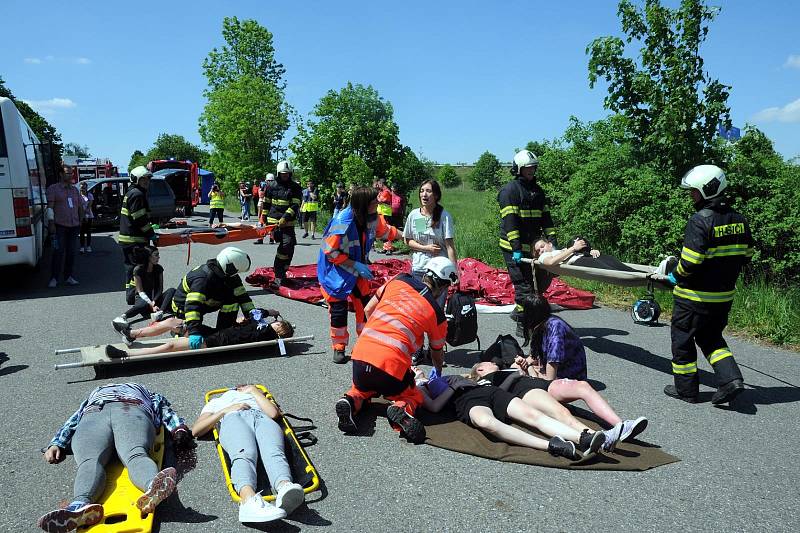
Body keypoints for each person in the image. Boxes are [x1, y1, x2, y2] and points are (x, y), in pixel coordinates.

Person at [37, 383, 195, 532]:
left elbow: (73, 420)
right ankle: (152, 486)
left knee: (90, 461)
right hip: (130, 410)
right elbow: (165, 411)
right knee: (134, 454)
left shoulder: (97, 394)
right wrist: (178, 428)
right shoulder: (146, 393)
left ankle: (80, 505)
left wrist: (57, 443)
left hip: (99, 415)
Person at [334, 257, 457, 444]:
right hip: (391, 366)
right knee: (412, 394)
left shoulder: (400, 279)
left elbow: (368, 310)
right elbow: (436, 351)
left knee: (361, 389)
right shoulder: (436, 313)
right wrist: (438, 371)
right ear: (444, 287)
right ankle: (402, 409)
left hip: (361, 355)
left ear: (425, 274)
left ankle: (350, 401)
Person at [664, 164, 753, 405]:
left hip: (694, 297)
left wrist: (674, 275)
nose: (691, 195)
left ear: (707, 189)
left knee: (682, 340)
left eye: (694, 191)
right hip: (723, 297)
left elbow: (690, 262)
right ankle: (731, 380)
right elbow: (747, 255)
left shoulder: (700, 220)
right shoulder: (740, 220)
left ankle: (686, 390)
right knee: (711, 338)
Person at [416, 371, 603, 459]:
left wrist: (512, 376)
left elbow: (484, 381)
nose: (417, 368)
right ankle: (552, 445)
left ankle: (583, 438)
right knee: (485, 422)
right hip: (465, 402)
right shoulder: (422, 388)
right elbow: (434, 407)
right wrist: (452, 387)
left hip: (487, 391)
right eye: (413, 370)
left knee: (532, 414)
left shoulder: (446, 375)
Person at [468, 361, 648, 451]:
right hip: (523, 391)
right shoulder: (486, 381)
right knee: (561, 411)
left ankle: (621, 426)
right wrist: (515, 373)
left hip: (538, 382)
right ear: (480, 370)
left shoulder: (504, 370)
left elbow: (534, 374)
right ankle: (597, 438)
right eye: (488, 363)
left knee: (582, 387)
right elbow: (499, 395)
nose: (493, 362)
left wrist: (526, 367)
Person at [191, 385, 305, 523]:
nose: (236, 388)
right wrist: (224, 411)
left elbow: (273, 414)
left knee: (273, 451)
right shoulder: (215, 402)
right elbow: (196, 430)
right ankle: (248, 502)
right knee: (244, 453)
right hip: (232, 417)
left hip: (261, 417)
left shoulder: (255, 395)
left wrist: (253, 391)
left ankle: (284, 487)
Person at [318, 186, 400, 363]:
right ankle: (339, 347)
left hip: (357, 268)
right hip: (336, 271)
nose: (378, 204)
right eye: (374, 202)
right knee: (339, 310)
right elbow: (330, 252)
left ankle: (363, 344)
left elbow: (386, 232)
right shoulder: (342, 221)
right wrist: (354, 264)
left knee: (364, 305)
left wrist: (408, 235)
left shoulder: (372, 218)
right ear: (363, 204)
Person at [498, 150, 558, 336]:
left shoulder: (538, 191)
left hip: (533, 249)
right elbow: (511, 223)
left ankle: (524, 314)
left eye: (533, 167)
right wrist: (516, 248)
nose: (531, 170)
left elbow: (546, 220)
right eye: (527, 168)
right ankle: (523, 326)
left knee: (537, 286)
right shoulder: (510, 191)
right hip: (513, 247)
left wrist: (553, 243)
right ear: (518, 169)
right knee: (523, 287)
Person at [403, 179, 458, 363]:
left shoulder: (444, 216)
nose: (424, 195)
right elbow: (408, 240)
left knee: (436, 314)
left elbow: (450, 246)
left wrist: (454, 273)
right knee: (417, 312)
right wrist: (426, 248)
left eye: (428, 191)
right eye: (422, 191)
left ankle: (436, 350)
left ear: (436, 195)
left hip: (440, 275)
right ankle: (417, 350)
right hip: (419, 270)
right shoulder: (414, 215)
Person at [168, 247, 256, 350]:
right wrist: (194, 331)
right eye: (237, 271)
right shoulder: (203, 279)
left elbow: (243, 297)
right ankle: (182, 328)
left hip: (204, 302)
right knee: (195, 328)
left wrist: (253, 316)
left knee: (233, 298)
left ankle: (225, 329)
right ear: (231, 268)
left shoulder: (229, 274)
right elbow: (192, 305)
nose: (237, 274)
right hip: (183, 307)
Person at [106, 311, 293, 358]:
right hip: (218, 332)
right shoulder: (262, 328)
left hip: (216, 341)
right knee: (175, 322)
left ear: (279, 329)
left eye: (277, 323)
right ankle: (132, 333)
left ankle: (128, 355)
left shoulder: (267, 333)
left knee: (171, 347)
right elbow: (252, 316)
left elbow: (256, 313)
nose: (273, 322)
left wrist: (270, 311)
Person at [519, 294, 588, 381]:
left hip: (570, 377)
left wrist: (532, 370)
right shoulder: (542, 324)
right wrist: (523, 362)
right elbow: (534, 357)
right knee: (516, 367)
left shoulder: (555, 327)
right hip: (553, 371)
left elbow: (551, 374)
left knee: (525, 376)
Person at [111, 247, 175, 339]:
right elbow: (140, 291)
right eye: (156, 255)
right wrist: (151, 303)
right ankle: (122, 317)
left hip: (155, 301)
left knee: (171, 290)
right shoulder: (138, 270)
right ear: (148, 257)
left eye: (158, 255)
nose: (158, 257)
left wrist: (155, 300)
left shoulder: (159, 269)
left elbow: (160, 289)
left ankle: (160, 313)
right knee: (143, 304)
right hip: (143, 299)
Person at [258, 161, 302, 282]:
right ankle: (279, 273)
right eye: (283, 173)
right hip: (274, 223)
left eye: (287, 173)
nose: (285, 175)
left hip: (288, 222)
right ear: (278, 173)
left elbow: (295, 205)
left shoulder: (295, 187)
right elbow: (266, 203)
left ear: (290, 173)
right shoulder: (271, 186)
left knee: (290, 245)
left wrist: (285, 217)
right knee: (286, 245)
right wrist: (264, 219)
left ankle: (282, 269)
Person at [119, 166, 159, 289]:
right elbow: (140, 219)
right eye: (143, 179)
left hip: (130, 240)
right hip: (135, 241)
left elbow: (139, 217)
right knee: (138, 270)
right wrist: (151, 234)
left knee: (131, 270)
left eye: (148, 179)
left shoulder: (133, 192)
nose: (147, 181)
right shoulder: (137, 194)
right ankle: (135, 295)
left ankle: (131, 294)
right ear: (135, 179)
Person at [46, 165, 84, 288]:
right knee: (58, 252)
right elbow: (50, 208)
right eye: (67, 173)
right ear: (61, 174)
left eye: (71, 173)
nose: (70, 175)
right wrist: (51, 224)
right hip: (60, 226)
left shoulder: (74, 190)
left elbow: (80, 207)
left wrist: (81, 221)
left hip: (73, 226)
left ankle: (68, 276)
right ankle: (54, 278)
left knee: (71, 252)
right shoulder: (54, 189)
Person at [376, 181, 394, 254]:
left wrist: (377, 196)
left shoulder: (386, 192)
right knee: (384, 230)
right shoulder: (383, 191)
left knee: (388, 230)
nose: (378, 185)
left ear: (382, 184)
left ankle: (389, 248)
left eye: (379, 184)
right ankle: (385, 248)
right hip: (382, 212)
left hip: (385, 212)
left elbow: (379, 201)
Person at [78, 181, 94, 254]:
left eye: (84, 188)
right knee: (81, 232)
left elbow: (89, 206)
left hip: (89, 216)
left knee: (88, 232)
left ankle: (88, 246)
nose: (82, 189)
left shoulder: (89, 195)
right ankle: (81, 247)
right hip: (81, 216)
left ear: (86, 188)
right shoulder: (78, 196)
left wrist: (86, 215)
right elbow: (78, 207)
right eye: (81, 188)